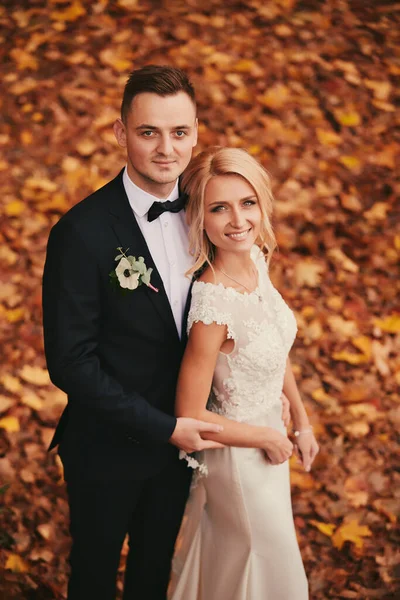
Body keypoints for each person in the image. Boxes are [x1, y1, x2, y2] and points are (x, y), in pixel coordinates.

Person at [42, 66, 290, 600]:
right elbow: (71, 364)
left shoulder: (209, 214)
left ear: (196, 131)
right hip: (108, 445)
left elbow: (247, 312)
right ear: (120, 132)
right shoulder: (80, 233)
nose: (165, 149)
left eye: (179, 132)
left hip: (190, 448)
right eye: (148, 132)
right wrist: (163, 426)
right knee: (93, 572)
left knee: (156, 571)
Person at [168, 146, 319, 600]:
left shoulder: (256, 260)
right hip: (237, 456)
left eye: (247, 202)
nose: (238, 220)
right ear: (200, 217)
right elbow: (190, 414)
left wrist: (301, 418)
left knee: (252, 562)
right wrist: (267, 438)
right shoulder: (212, 302)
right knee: (266, 566)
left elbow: (273, 348)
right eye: (219, 208)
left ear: (261, 203)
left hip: (271, 440)